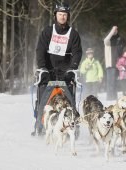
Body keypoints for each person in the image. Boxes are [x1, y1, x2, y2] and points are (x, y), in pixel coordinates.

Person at [32, 2, 82, 136]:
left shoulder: (73, 34)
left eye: (65, 14)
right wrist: (42, 68)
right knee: (43, 96)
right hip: (48, 71)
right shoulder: (48, 31)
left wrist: (72, 69)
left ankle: (74, 124)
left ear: (68, 16)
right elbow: (40, 50)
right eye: (60, 14)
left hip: (66, 72)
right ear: (55, 15)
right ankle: (40, 125)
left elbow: (77, 53)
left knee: (70, 99)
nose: (62, 17)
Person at [104, 26, 123, 100]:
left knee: (115, 83)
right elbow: (106, 39)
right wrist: (112, 30)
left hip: (116, 65)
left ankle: (114, 98)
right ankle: (110, 98)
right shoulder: (108, 42)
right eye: (114, 30)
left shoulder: (118, 42)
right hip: (110, 65)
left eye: (116, 30)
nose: (115, 31)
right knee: (110, 83)